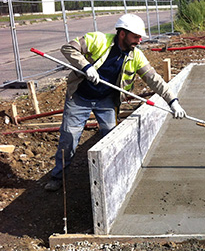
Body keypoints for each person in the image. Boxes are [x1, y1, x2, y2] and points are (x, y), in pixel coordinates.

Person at [45, 13, 187, 191]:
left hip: (106, 101)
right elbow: (68, 48)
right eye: (136, 36)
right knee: (69, 138)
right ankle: (58, 177)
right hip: (80, 98)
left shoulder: (136, 56)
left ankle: (110, 177)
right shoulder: (98, 40)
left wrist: (172, 101)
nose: (139, 40)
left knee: (112, 138)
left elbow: (154, 79)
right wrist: (86, 66)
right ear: (122, 34)